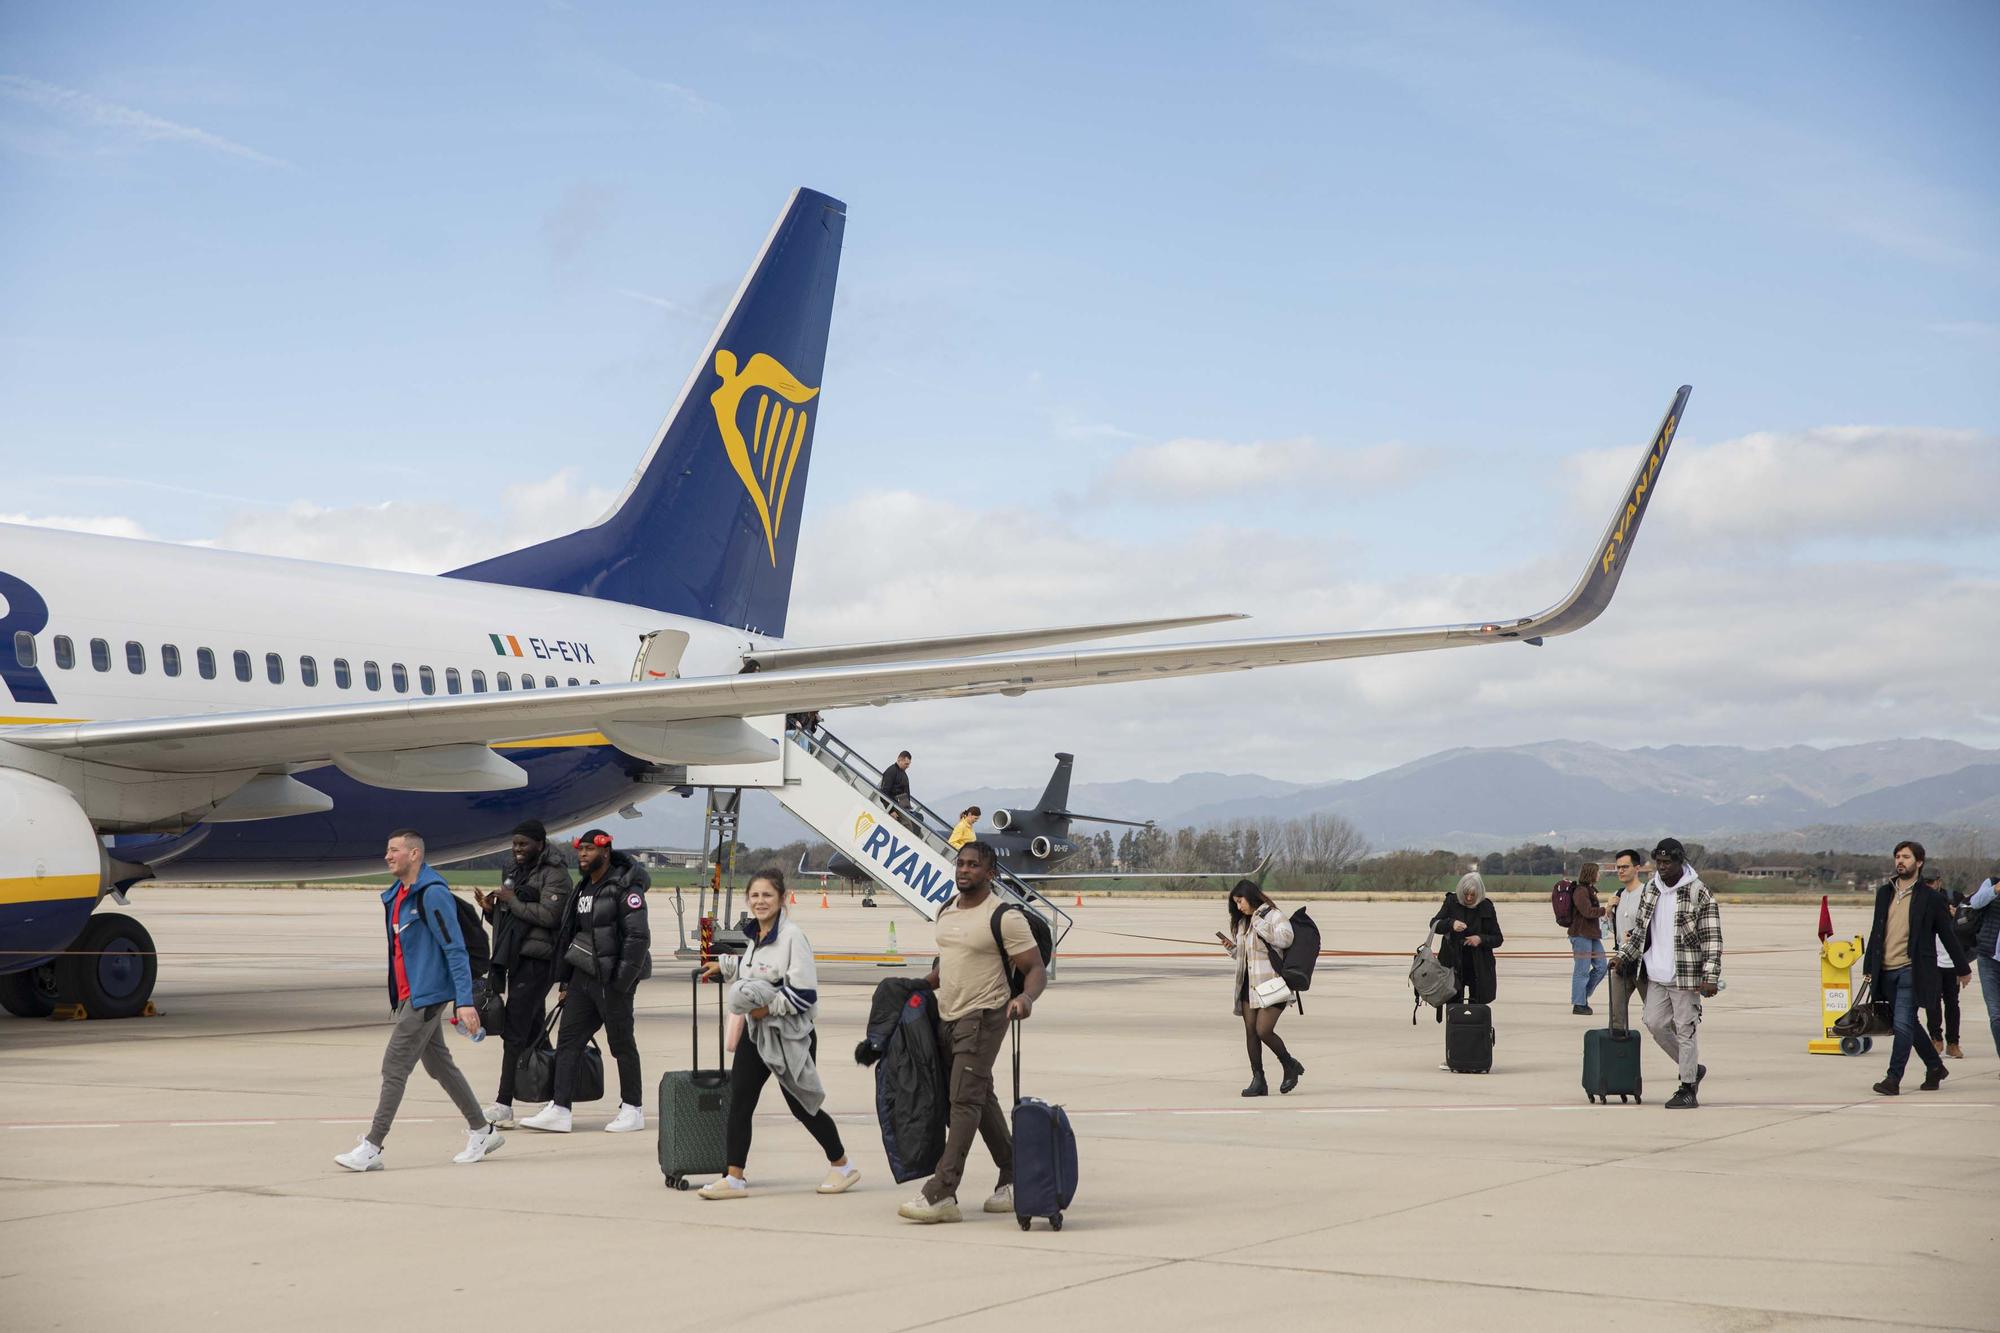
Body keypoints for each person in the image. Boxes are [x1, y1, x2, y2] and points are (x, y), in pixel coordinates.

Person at [898, 841, 1046, 1225]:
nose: (964, 870)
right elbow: (948, 963)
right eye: (960, 864)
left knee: (962, 1101)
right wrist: (918, 986)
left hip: (984, 1015)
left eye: (974, 865)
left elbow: (1035, 967)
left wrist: (1026, 998)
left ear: (990, 872)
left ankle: (942, 1192)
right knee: (980, 1098)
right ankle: (1015, 1175)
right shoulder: (945, 910)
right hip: (947, 1015)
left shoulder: (1004, 917)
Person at [334, 829, 498, 1171]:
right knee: (439, 1066)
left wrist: (464, 1001)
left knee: (394, 1066)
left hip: (427, 996)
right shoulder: (398, 895)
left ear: (414, 855)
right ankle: (482, 1130)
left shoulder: (432, 894)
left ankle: (372, 1147)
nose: (387, 856)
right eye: (387, 850)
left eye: (394, 850)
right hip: (412, 995)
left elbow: (455, 949)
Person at [696, 869, 858, 1199]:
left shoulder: (793, 937)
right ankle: (735, 1177)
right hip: (756, 1035)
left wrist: (764, 1009)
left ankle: (842, 1165)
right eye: (755, 895)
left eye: (767, 895)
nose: (760, 901)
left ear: (782, 899)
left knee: (802, 1105)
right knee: (740, 1100)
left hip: (789, 1037)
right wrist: (725, 966)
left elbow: (804, 995)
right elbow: (757, 970)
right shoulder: (755, 936)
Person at [520, 829, 651, 1133]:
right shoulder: (583, 889)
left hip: (612, 981)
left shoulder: (625, 888)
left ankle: (633, 1109)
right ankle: (561, 1108)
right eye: (581, 850)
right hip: (583, 978)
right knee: (568, 1042)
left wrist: (621, 981)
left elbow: (638, 937)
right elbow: (572, 936)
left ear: (605, 852)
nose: (583, 855)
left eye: (590, 850)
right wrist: (565, 981)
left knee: (621, 1044)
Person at [473, 819, 573, 1128]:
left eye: (523, 844)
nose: (517, 850)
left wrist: (512, 901)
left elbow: (549, 917)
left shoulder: (555, 875)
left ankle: (504, 1103)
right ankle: (554, 1101)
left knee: (514, 1032)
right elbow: (511, 927)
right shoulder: (514, 871)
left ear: (540, 844)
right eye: (514, 844)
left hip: (539, 960)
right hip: (516, 958)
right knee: (532, 1032)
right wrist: (492, 911)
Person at [1609, 838, 1721, 1110]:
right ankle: (1692, 1067)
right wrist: (1623, 956)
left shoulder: (1698, 892)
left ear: (1680, 861)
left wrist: (1711, 975)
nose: (1662, 867)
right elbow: (1639, 932)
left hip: (1685, 976)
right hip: (1656, 974)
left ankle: (1687, 1087)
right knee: (1654, 1023)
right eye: (1658, 862)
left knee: (1685, 1030)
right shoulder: (1651, 890)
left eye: (1667, 862)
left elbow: (1712, 938)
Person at [1863, 841, 1970, 1096]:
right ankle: (1935, 1067)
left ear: (1919, 862)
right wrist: (1869, 967)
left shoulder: (1931, 898)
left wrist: (1962, 967)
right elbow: (1877, 932)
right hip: (1885, 970)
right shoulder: (1884, 893)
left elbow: (1947, 934)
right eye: (1898, 856)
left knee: (1901, 1024)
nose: (1900, 861)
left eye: (1906, 857)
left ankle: (1893, 1078)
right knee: (1908, 1023)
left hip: (1912, 969)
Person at [1215, 880, 1303, 1096]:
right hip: (1249, 984)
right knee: (1251, 1033)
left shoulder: (1272, 915)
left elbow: (1286, 939)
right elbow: (1247, 955)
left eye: (1240, 901)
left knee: (1263, 1030)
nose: (1238, 907)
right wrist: (1232, 949)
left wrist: (1259, 923)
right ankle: (1258, 1079)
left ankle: (1289, 1064)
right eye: (1235, 904)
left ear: (1250, 896)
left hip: (1272, 984)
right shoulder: (1243, 922)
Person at [1432, 872, 1503, 1007]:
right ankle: (1454, 1028)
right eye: (1466, 894)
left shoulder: (1486, 906)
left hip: (1479, 967)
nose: (1469, 898)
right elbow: (1434, 924)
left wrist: (1480, 939)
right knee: (1453, 1006)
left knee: (1477, 1009)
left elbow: (1498, 938)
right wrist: (1451, 924)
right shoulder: (1451, 902)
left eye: (1473, 895)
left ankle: (1478, 1028)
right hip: (1452, 965)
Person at [1604, 850, 1649, 1032]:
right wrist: (1608, 910)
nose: (1620, 871)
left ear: (1637, 868)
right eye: (1618, 867)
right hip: (1622, 960)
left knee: (1655, 1015)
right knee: (1615, 1015)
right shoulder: (1618, 894)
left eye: (1625, 867)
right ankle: (1616, 1053)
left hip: (1644, 963)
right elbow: (1606, 930)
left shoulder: (1647, 893)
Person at [1923, 869, 1966, 1060]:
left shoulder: (1955, 897)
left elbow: (1969, 922)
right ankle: (1935, 1039)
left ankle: (1953, 1043)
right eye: (1925, 882)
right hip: (1931, 960)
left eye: (1931, 882)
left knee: (1952, 1003)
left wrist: (1957, 915)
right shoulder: (1920, 900)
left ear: (1939, 882)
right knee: (1932, 1002)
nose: (1928, 886)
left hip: (1951, 961)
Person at [1966, 865, 2000, 1063]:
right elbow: (1975, 903)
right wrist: (1995, 890)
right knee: (1996, 1015)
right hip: (1989, 958)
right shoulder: (1991, 883)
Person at [1567, 862, 1608, 1015]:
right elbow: (1587, 911)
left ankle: (1582, 996)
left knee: (1602, 967)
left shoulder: (1590, 890)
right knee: (1582, 970)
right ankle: (1579, 1004)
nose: (1599, 875)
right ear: (1591, 873)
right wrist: (1605, 910)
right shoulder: (1580, 891)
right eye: (1597, 872)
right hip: (1580, 934)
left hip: (1591, 934)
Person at [881, 750, 915, 828]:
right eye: (906, 764)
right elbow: (883, 793)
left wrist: (908, 807)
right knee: (908, 826)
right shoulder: (891, 771)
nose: (908, 766)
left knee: (915, 823)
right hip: (894, 805)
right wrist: (891, 810)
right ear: (899, 760)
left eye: (909, 764)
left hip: (903, 806)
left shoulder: (903, 773)